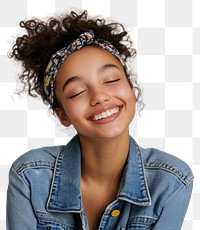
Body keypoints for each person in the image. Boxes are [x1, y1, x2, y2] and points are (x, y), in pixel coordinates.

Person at [6, 10, 193, 230]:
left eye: (112, 79)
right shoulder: (30, 176)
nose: (99, 96)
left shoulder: (172, 180)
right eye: (76, 92)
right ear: (62, 115)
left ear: (131, 89)